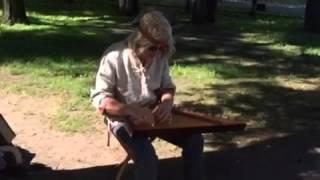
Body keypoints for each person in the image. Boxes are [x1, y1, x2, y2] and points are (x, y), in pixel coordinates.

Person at [91, 10, 204, 180]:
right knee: (147, 158)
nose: (157, 54)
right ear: (138, 42)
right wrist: (129, 109)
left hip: (154, 116)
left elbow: (167, 87)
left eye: (162, 48)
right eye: (152, 48)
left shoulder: (160, 56)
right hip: (122, 119)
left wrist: (166, 102)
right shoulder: (114, 56)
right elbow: (101, 99)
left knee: (195, 140)